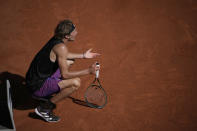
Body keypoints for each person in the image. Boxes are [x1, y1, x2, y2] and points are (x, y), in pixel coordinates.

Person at [25, 20, 100, 122]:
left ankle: (50, 88)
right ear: (67, 36)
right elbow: (65, 75)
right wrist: (88, 71)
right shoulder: (62, 47)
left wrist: (83, 55)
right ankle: (44, 109)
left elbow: (64, 55)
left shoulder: (56, 40)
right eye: (74, 31)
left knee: (69, 61)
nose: (76, 32)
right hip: (37, 86)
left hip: (33, 78)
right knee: (75, 83)